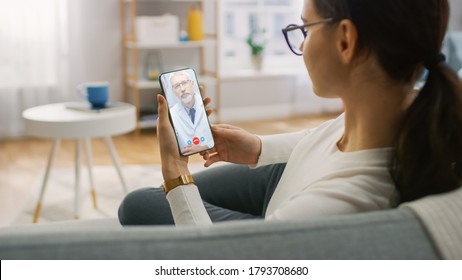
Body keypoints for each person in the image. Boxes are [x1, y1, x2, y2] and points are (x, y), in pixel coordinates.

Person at [119, 0, 462, 226]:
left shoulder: (342, 202)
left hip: (287, 208)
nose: (300, 44)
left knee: (138, 205)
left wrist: (175, 169)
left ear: (345, 40)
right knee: (149, 200)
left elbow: (216, 262)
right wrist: (256, 147)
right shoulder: (399, 110)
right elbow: (324, 134)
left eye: (304, 29)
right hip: (291, 176)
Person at [163, 70, 214, 156]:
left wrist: (204, 147)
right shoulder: (172, 114)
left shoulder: (203, 106)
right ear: (173, 91)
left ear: (192, 84)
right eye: (177, 86)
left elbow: (211, 138)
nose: (182, 89)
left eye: (184, 83)